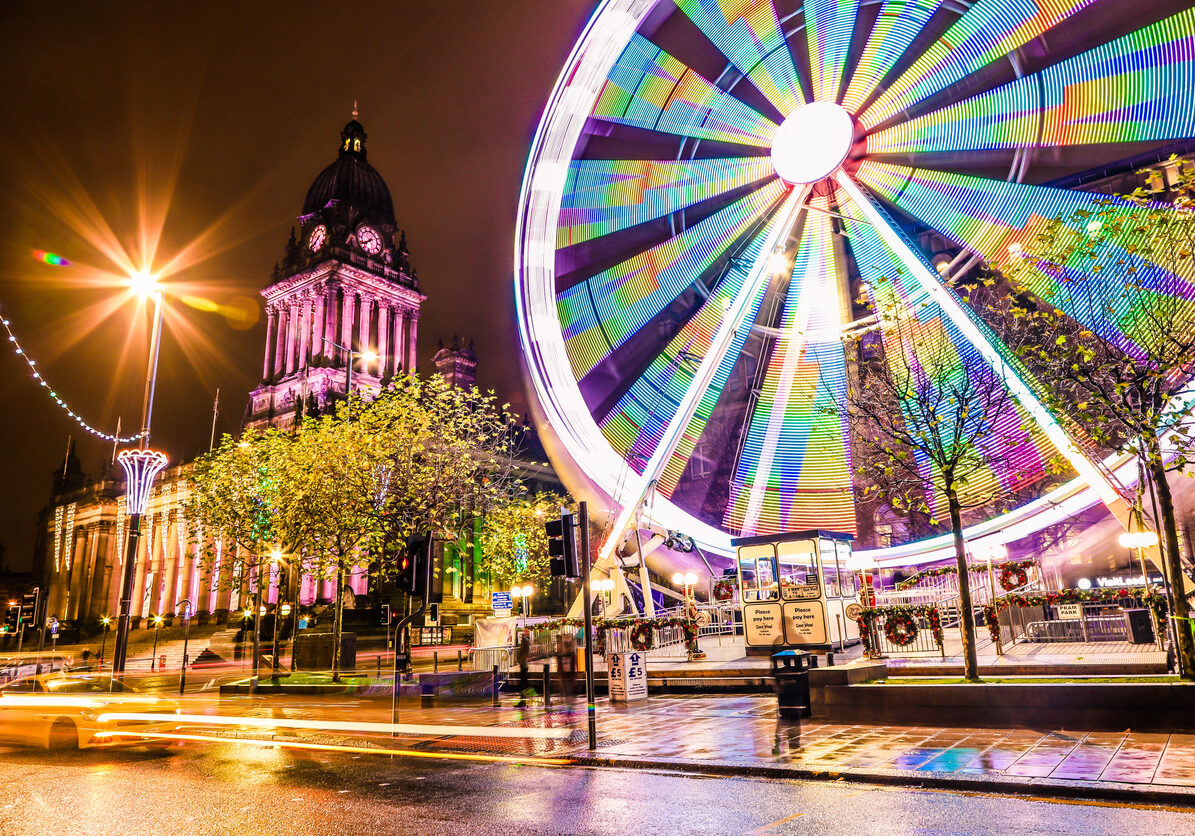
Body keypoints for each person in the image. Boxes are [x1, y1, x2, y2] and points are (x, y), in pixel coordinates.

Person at [556, 631, 578, 710]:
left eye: (568, 637)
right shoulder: (562, 651)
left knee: (568, 689)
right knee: (565, 689)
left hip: (569, 674)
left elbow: (574, 661)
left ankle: (569, 704)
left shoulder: (571, 652)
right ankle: (567, 703)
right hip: (564, 674)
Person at [514, 628, 532, 706]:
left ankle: (523, 699)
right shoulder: (526, 640)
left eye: (526, 631)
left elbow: (525, 648)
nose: (524, 632)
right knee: (523, 681)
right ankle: (524, 698)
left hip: (524, 664)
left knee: (523, 682)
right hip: (524, 664)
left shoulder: (525, 640)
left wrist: (522, 658)